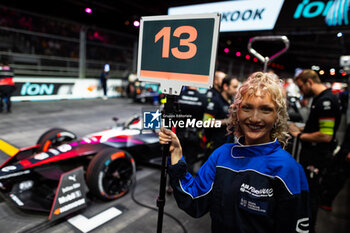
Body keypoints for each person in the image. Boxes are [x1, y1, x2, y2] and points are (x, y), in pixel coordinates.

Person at [159, 72, 310, 233]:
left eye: (266, 109)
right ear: (236, 112)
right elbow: (194, 202)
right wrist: (176, 154)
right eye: (247, 108)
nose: (254, 118)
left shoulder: (288, 169)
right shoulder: (221, 156)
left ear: (277, 117)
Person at [288, 69, 341, 232]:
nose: (301, 92)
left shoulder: (326, 101)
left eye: (301, 87)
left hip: (317, 158)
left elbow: (325, 136)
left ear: (309, 82)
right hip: (313, 156)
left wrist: (300, 135)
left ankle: (307, 229)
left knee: (310, 196)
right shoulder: (321, 98)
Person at [202, 75, 239, 157]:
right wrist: (227, 121)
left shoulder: (233, 102)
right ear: (226, 86)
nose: (236, 90)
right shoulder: (215, 101)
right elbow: (206, 122)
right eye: (234, 87)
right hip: (214, 146)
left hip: (228, 146)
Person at [176, 86, 207, 174]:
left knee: (176, 159)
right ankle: (186, 184)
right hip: (194, 134)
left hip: (179, 133)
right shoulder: (203, 98)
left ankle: (173, 183)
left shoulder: (179, 96)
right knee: (190, 161)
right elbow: (206, 118)